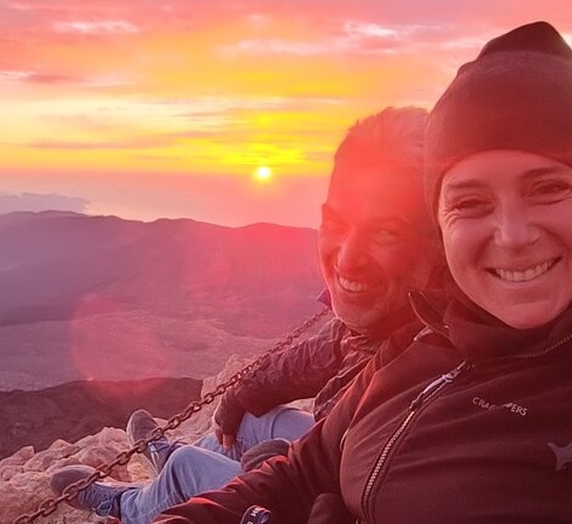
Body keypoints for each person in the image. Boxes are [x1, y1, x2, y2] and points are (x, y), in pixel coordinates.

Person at [155, 21, 572, 523]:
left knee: (188, 461)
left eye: (548, 188)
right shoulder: (428, 343)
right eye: (470, 201)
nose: (511, 234)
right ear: (443, 222)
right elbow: (306, 469)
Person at [49, 106, 445, 523]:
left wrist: (274, 471)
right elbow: (329, 350)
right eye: (336, 222)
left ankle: (131, 506)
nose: (347, 259)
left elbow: (358, 487)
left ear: (438, 241)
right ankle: (169, 467)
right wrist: (243, 393)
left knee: (190, 468)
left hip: (322, 498)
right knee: (255, 417)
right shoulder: (404, 317)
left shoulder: (431, 364)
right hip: (325, 464)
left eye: (386, 232)